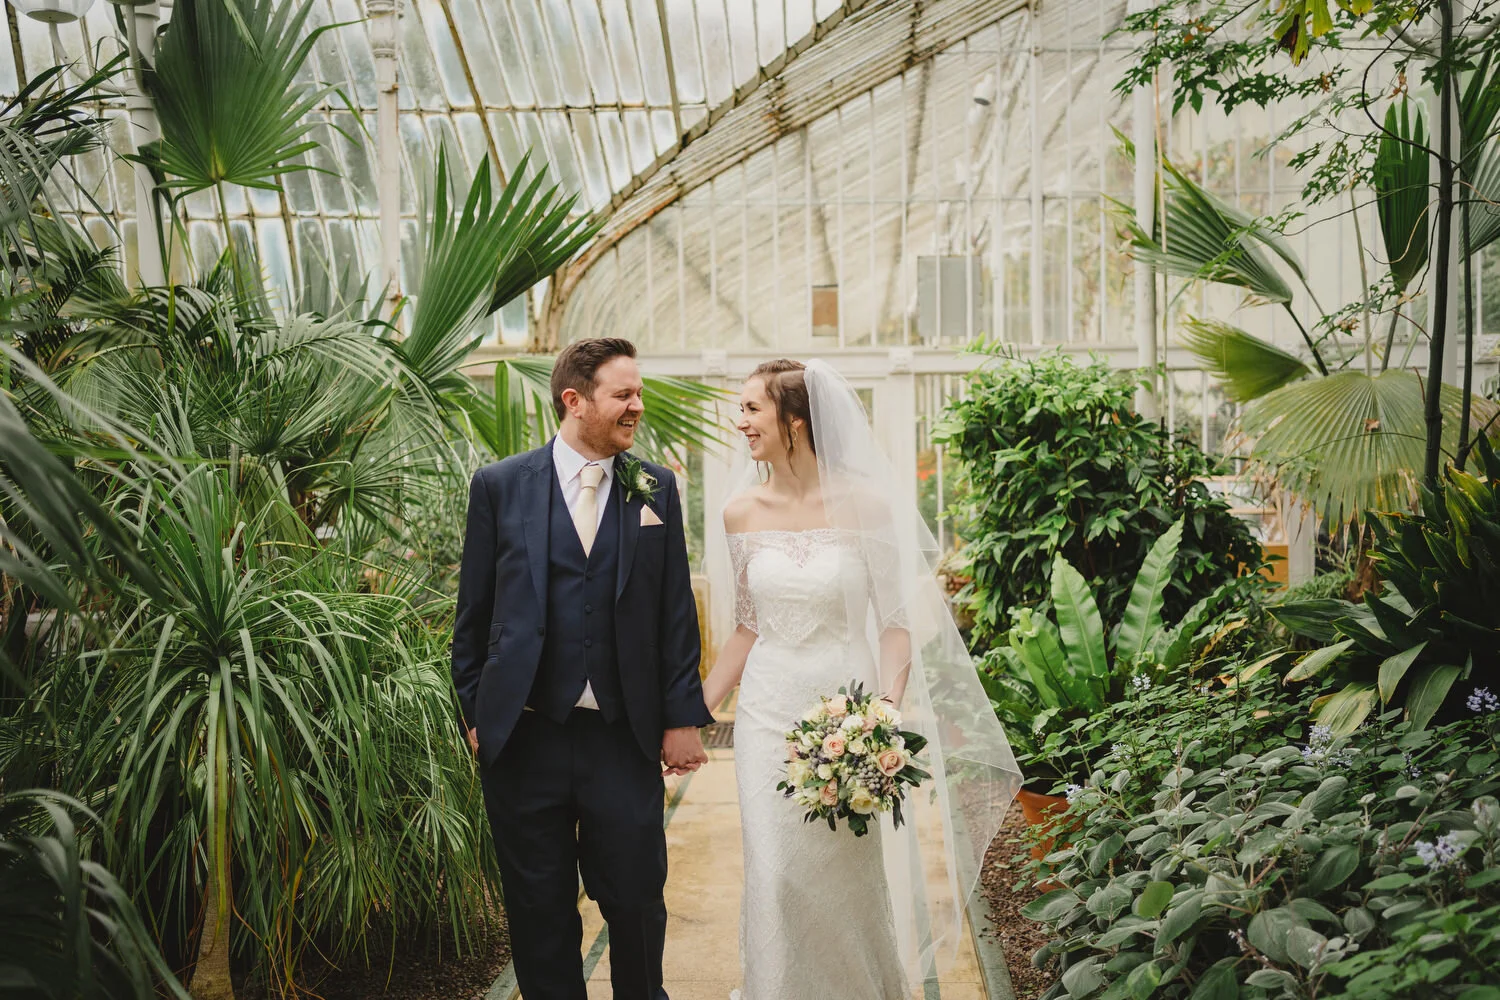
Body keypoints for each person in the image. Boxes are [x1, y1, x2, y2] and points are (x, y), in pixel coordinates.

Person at [700, 359, 1021, 999]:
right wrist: (687, 713)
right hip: (767, 714)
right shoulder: (740, 512)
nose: (740, 423)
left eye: (751, 409)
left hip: (845, 711)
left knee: (844, 872)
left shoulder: (867, 506)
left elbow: (896, 624)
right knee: (775, 873)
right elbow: (745, 629)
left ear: (795, 422)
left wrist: (881, 717)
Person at [451, 337, 714, 1000]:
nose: (638, 406)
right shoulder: (500, 485)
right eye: (624, 394)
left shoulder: (655, 486)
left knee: (634, 902)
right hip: (525, 736)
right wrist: (475, 715)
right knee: (538, 912)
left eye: (638, 392)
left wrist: (683, 718)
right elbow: (473, 614)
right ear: (574, 400)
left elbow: (674, 614)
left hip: (620, 739)